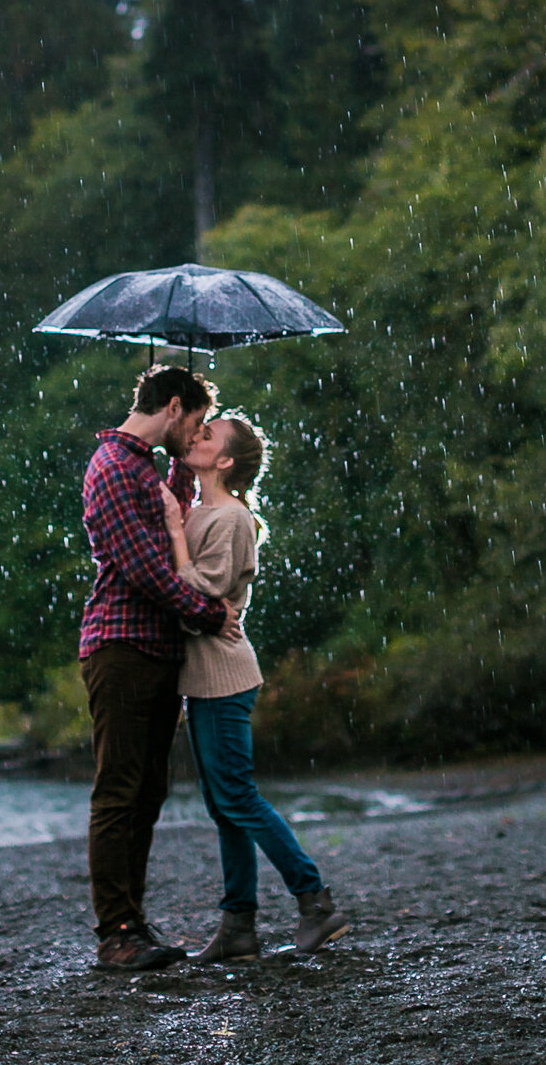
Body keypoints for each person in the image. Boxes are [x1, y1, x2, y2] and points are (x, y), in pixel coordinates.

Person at [161, 412, 349, 961]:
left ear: (225, 462)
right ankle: (239, 926)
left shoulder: (231, 518)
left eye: (207, 435)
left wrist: (174, 531)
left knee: (238, 798)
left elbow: (202, 594)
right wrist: (178, 518)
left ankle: (315, 902)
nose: (196, 436)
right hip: (204, 677)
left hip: (223, 675)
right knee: (224, 807)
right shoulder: (203, 509)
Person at [79, 364, 244, 973]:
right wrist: (209, 614)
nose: (199, 434)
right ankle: (115, 933)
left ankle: (132, 922)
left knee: (147, 791)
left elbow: (168, 521)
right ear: (173, 407)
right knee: (119, 792)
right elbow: (148, 570)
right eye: (197, 422)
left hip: (153, 651)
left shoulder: (143, 468)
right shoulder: (115, 468)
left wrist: (182, 466)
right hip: (119, 647)